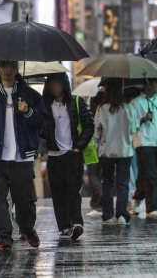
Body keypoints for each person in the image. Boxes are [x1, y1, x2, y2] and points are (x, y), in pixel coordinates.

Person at [0, 60, 49, 251]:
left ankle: (28, 229)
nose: (7, 70)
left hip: (22, 158)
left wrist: (28, 111)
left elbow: (44, 120)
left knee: (24, 200)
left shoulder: (29, 95)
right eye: (4, 66)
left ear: (16, 69)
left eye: (11, 66)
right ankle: (4, 236)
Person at [41, 73, 94, 240]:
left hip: (72, 154)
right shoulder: (45, 106)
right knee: (57, 193)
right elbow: (39, 127)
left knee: (73, 190)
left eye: (58, 83)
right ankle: (64, 226)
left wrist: (79, 146)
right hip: (54, 155)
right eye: (52, 84)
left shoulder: (76, 102)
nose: (55, 87)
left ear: (64, 84)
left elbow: (89, 125)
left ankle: (76, 223)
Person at [93, 79, 137, 225]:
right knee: (123, 184)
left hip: (107, 152)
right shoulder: (128, 108)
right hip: (125, 150)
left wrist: (97, 147)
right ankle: (122, 214)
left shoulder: (102, 108)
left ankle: (107, 215)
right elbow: (132, 130)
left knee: (107, 183)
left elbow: (96, 131)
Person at [129, 79, 157, 218]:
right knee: (152, 174)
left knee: (154, 174)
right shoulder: (136, 103)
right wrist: (143, 119)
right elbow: (131, 124)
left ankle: (136, 196)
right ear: (148, 85)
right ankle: (153, 207)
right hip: (143, 142)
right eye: (156, 83)